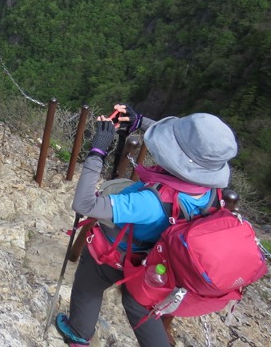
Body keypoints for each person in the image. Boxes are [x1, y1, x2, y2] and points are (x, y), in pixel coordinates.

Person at [55, 104, 238, 347]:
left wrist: (97, 151)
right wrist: (140, 121)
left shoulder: (150, 201)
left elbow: (84, 204)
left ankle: (78, 333)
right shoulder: (209, 190)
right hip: (158, 262)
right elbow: (184, 152)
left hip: (120, 255)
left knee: (91, 278)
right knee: (140, 305)